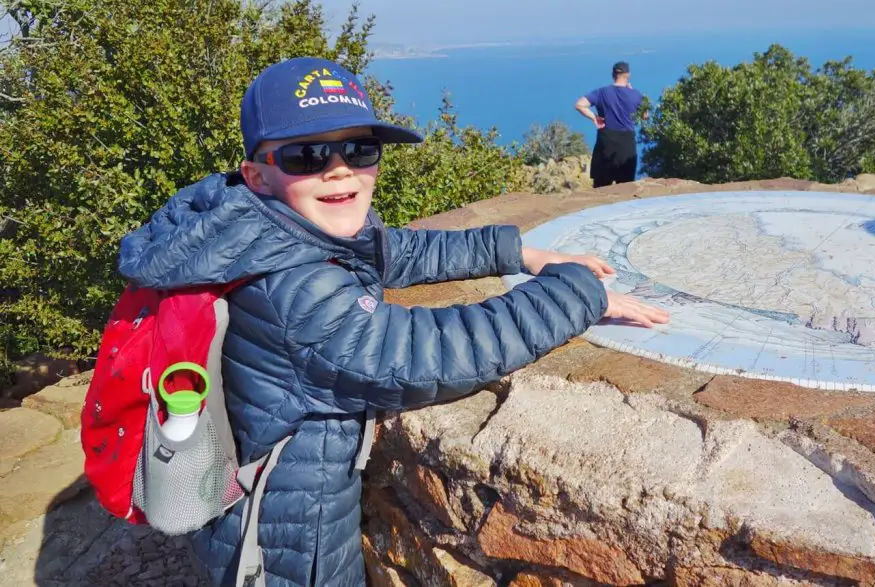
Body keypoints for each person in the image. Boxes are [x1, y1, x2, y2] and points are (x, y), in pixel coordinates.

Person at [117, 56, 669, 587]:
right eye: (307, 155)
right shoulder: (293, 289)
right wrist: (577, 294)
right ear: (257, 174)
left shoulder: (269, 224)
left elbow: (397, 252)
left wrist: (519, 254)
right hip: (281, 541)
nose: (340, 170)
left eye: (360, 149)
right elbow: (429, 354)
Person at [575, 61, 647, 188]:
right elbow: (645, 116)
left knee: (601, 186)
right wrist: (632, 93)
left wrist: (594, 118)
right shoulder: (636, 95)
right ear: (628, 75)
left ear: (613, 74)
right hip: (626, 144)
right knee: (625, 187)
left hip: (606, 141)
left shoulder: (602, 92)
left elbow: (579, 105)